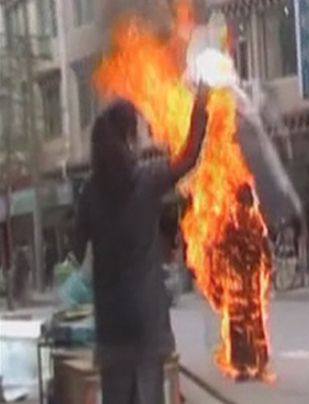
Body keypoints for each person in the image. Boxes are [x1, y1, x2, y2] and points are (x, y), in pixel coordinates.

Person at [74, 86, 208, 404]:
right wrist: (201, 103)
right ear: (128, 138)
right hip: (147, 327)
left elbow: (78, 252)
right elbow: (188, 157)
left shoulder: (88, 195)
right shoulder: (146, 181)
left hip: (112, 331)